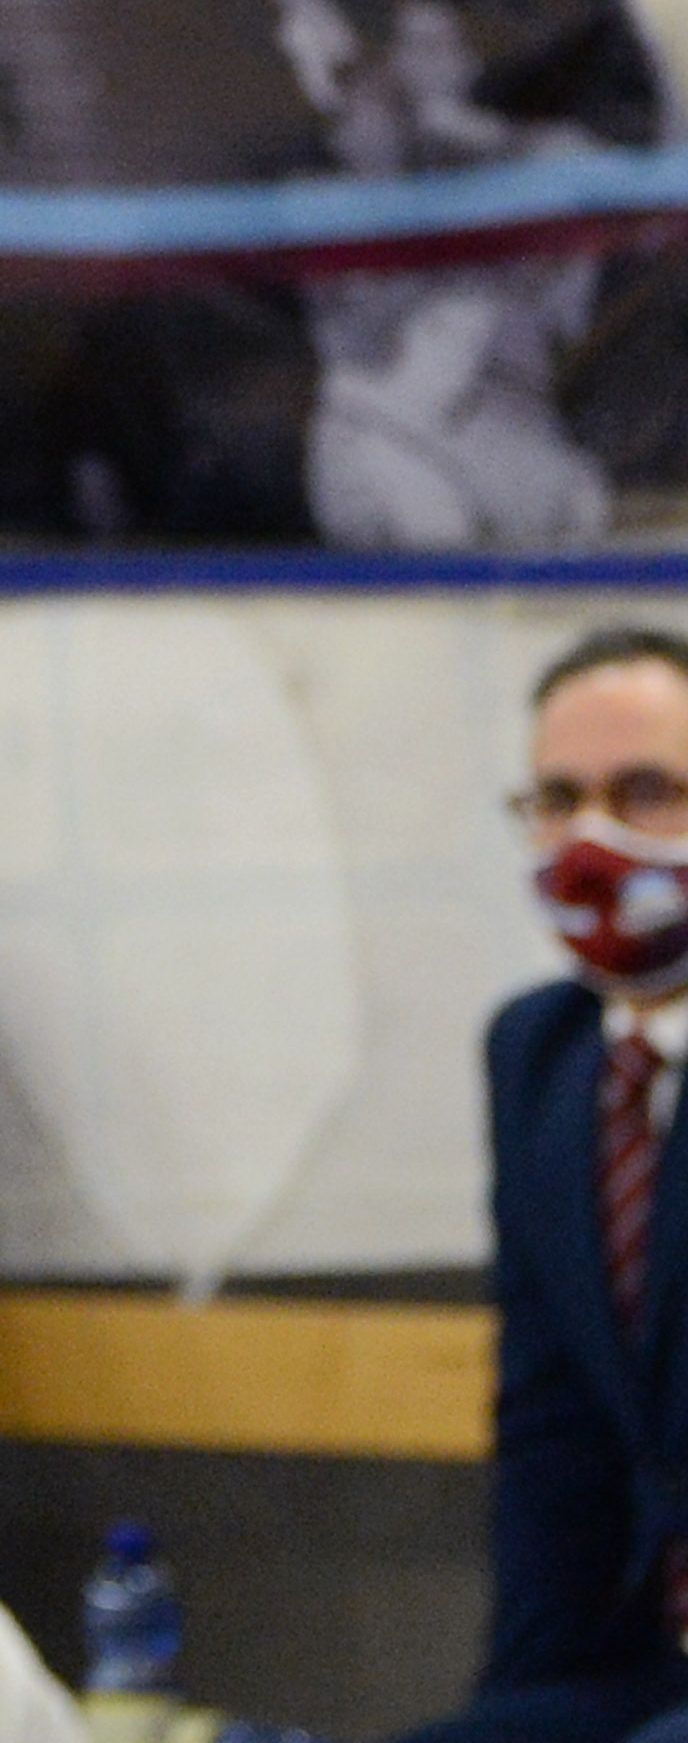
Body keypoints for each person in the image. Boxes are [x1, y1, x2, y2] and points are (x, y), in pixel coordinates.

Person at [408, 626, 688, 1743]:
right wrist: (503, 1716)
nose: (588, 841)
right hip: (628, 1658)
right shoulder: (540, 1055)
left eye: (645, 792)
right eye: (556, 799)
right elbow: (551, 1430)